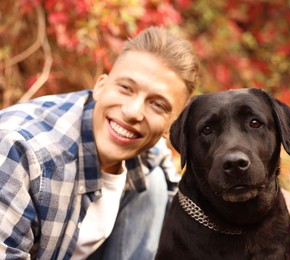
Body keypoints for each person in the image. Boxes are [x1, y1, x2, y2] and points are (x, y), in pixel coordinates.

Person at [0, 26, 199, 259]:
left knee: (155, 182)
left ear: (171, 127)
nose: (133, 112)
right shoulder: (20, 150)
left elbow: (186, 217)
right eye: (126, 88)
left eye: (157, 105)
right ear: (101, 86)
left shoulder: (150, 151)